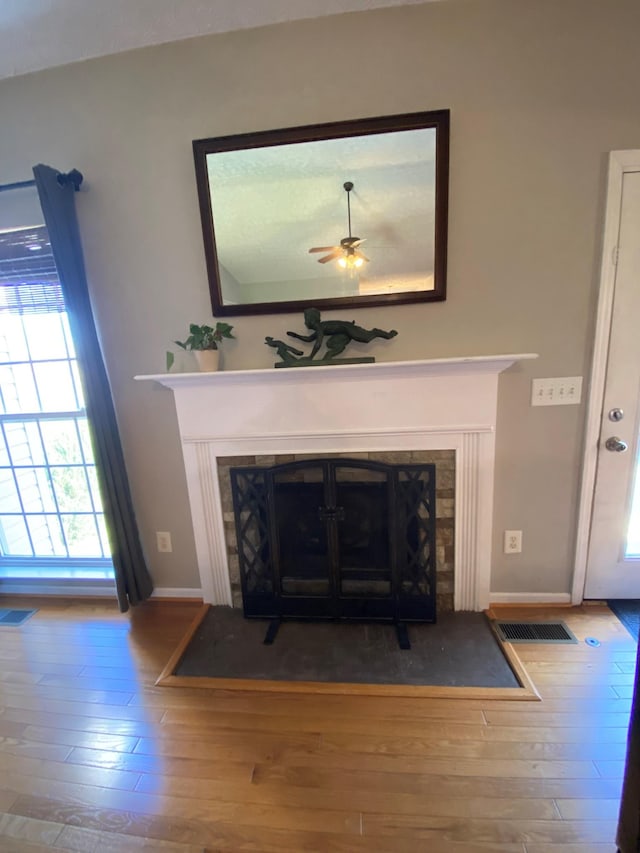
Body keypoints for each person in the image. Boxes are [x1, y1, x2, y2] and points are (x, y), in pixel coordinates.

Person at [287, 307, 397, 360]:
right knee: (330, 346)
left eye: (306, 319)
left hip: (347, 328)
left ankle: (379, 333)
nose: (305, 323)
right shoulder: (320, 327)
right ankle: (327, 359)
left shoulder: (319, 327)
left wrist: (310, 357)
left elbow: (318, 344)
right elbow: (310, 339)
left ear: (310, 320)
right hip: (343, 332)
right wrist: (296, 336)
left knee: (365, 338)